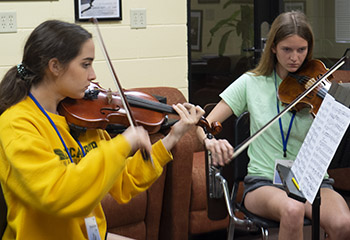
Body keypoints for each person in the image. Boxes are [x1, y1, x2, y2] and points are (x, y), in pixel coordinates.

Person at [0, 20, 205, 240]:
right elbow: (57, 195)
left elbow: (123, 182)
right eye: (85, 64)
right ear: (55, 66)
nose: (93, 75)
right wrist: (123, 144)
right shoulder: (18, 124)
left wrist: (172, 138)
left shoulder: (81, 117)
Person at [197, 11, 350, 240]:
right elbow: (203, 124)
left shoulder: (319, 86)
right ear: (274, 48)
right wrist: (210, 142)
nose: (295, 58)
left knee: (343, 224)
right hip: (263, 182)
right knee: (292, 209)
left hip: (311, 181)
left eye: (301, 50)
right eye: (287, 49)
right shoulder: (251, 83)